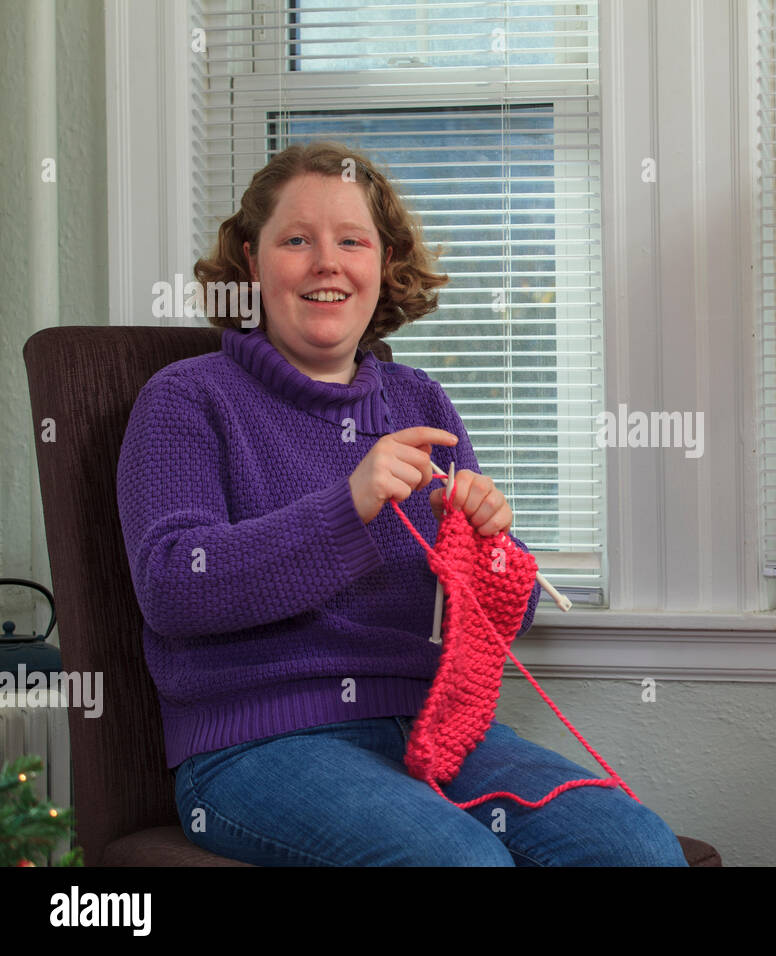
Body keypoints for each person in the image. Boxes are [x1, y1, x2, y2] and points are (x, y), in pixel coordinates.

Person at [116, 140, 687, 866]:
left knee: (637, 846)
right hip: (253, 748)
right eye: (296, 240)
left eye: (351, 241)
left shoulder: (420, 400)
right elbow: (172, 588)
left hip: (434, 729)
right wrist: (346, 505)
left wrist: (491, 549)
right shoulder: (186, 399)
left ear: (383, 268)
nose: (327, 261)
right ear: (251, 264)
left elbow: (492, 622)